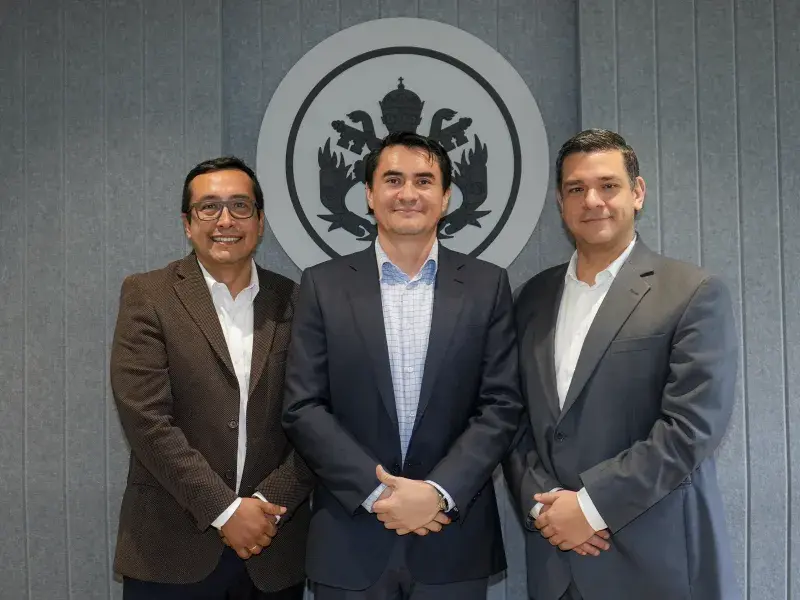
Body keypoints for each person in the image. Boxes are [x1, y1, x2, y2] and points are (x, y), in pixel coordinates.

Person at [283, 131, 523, 599]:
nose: (408, 193)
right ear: (370, 195)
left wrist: (438, 492)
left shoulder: (486, 285)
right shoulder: (322, 285)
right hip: (351, 539)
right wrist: (380, 494)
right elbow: (303, 406)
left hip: (452, 537)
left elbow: (501, 405)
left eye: (424, 180)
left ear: (446, 198)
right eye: (393, 180)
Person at [504, 129, 739, 600]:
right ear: (560, 202)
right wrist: (545, 511)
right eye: (576, 189)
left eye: (608, 185)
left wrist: (590, 507)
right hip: (557, 567)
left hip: (656, 563)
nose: (592, 200)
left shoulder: (692, 292)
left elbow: (690, 428)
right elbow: (512, 419)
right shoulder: (531, 297)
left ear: (637, 192)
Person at [111, 157, 314, 599]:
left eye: (240, 206)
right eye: (208, 207)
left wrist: (264, 507)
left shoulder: (297, 301)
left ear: (260, 222)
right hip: (170, 550)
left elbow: (317, 420)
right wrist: (224, 510)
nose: (225, 220)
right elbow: (146, 419)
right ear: (187, 223)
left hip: (272, 549)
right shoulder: (148, 295)